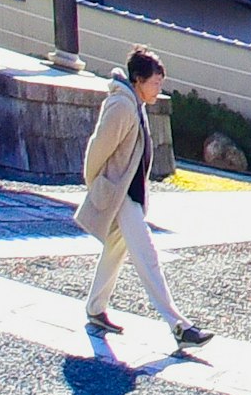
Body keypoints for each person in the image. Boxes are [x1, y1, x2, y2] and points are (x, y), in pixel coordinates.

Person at [74, 47, 211, 348]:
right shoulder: (123, 106)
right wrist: (96, 185)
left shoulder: (135, 103)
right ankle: (179, 325)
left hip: (128, 194)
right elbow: (98, 149)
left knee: (114, 251)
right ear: (138, 79)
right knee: (148, 257)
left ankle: (95, 308)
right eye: (155, 83)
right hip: (119, 196)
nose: (158, 89)